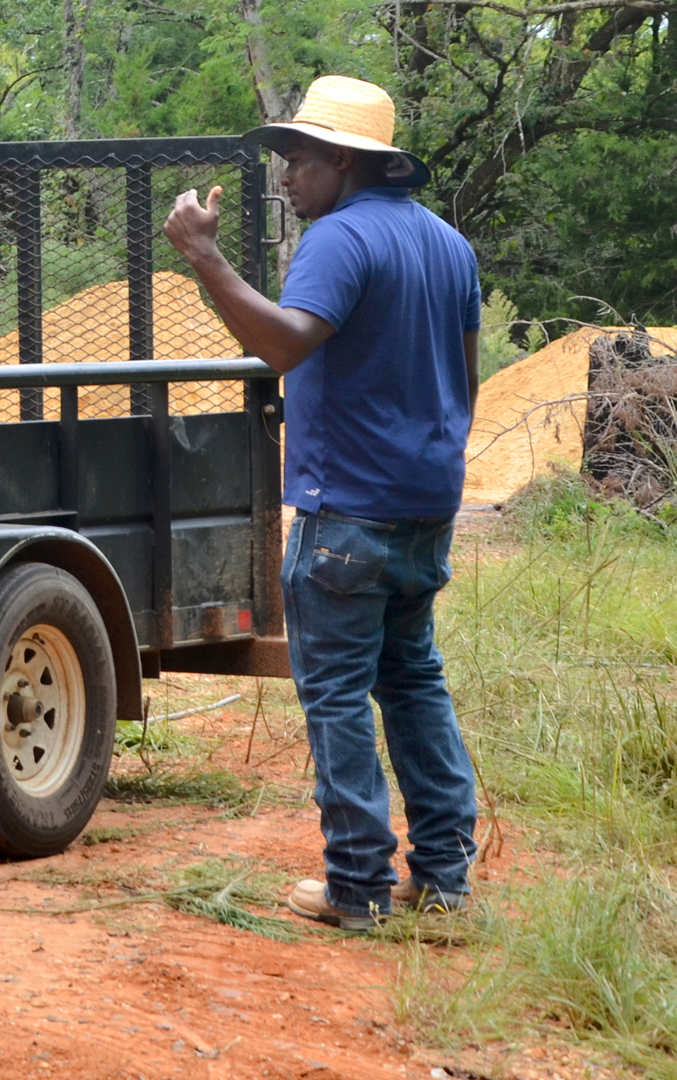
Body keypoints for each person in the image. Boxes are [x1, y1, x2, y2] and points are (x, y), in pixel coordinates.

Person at [161, 75, 481, 930]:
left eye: (299, 159)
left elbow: (283, 346)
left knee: (337, 696)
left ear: (345, 160)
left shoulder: (339, 240)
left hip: (346, 511)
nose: (287, 177)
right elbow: (466, 376)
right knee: (414, 685)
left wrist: (205, 255)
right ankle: (444, 880)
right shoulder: (450, 246)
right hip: (424, 509)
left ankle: (357, 886)